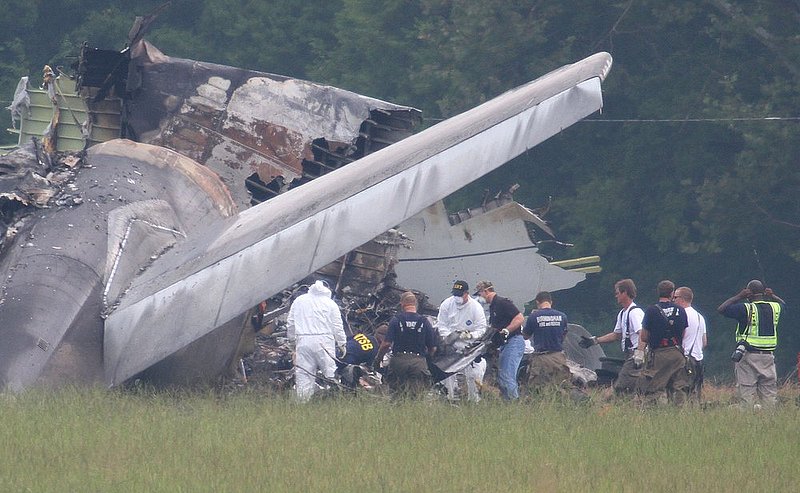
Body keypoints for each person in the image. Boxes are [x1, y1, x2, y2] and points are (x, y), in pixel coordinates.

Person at [718, 280, 786, 409]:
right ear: (763, 292)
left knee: (746, 391)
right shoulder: (775, 307)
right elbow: (784, 305)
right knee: (769, 393)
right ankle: (769, 420)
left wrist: (739, 296)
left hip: (748, 356)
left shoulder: (745, 308)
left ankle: (747, 418)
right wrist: (773, 296)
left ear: (749, 294)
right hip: (768, 357)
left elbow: (722, 309)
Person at [578, 278, 644, 394]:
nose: (616, 296)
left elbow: (642, 334)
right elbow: (616, 335)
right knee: (628, 386)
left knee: (621, 385)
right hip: (629, 354)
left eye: (618, 293)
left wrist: (639, 354)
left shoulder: (635, 313)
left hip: (635, 354)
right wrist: (594, 341)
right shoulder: (623, 313)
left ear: (625, 293)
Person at [286, 280, 347, 402]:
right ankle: (332, 401)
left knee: (304, 375)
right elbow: (337, 326)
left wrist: (292, 341)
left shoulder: (299, 301)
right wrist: (342, 343)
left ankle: (302, 404)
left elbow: (291, 323)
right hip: (325, 342)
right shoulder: (330, 304)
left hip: (303, 341)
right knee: (329, 373)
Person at [374, 291, 438, 397]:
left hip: (398, 362)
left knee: (396, 395)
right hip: (418, 362)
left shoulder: (396, 320)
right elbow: (433, 348)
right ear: (416, 304)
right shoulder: (424, 321)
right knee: (416, 396)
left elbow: (386, 344)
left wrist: (378, 358)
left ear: (402, 304)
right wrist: (426, 359)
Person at [637, 280, 689, 404]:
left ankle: (653, 413)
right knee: (678, 387)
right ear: (672, 293)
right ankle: (679, 414)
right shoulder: (680, 310)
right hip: (677, 354)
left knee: (654, 386)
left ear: (658, 292)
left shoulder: (651, 311)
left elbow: (643, 336)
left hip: (658, 354)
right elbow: (684, 334)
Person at [437, 280, 487, 402]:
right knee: (448, 374)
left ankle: (473, 400)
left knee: (473, 375)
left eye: (460, 295)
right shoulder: (447, 304)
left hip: (469, 347)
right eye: (455, 294)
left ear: (466, 293)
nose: (457, 298)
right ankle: (451, 398)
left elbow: (481, 328)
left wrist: (470, 335)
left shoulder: (475, 307)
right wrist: (451, 336)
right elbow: (441, 325)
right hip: (451, 345)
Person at [474, 280, 525, 400]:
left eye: (480, 294)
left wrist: (507, 330)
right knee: (502, 376)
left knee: (507, 376)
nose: (480, 297)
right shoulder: (493, 307)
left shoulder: (502, 302)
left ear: (485, 291)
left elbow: (519, 317)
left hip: (514, 342)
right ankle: (507, 402)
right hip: (505, 345)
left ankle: (514, 403)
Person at [522, 291, 572, 392]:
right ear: (551, 302)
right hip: (558, 356)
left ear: (537, 302)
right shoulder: (562, 316)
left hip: (541, 358)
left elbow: (525, 336)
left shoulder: (534, 317)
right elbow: (564, 334)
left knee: (537, 388)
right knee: (561, 386)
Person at [672, 286, 708, 402]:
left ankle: (680, 415)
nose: (673, 300)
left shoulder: (682, 314)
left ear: (682, 299)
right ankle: (694, 415)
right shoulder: (700, 317)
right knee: (694, 393)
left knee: (680, 389)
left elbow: (679, 336)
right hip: (698, 359)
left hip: (685, 358)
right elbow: (704, 342)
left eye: (675, 297)